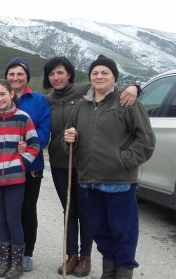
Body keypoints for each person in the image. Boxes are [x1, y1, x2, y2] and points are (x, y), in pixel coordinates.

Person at [43, 56, 139, 277]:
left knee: (88, 214)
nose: (56, 77)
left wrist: (135, 87)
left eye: (60, 72)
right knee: (70, 211)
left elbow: (111, 86)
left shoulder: (84, 91)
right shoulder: (47, 100)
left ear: (69, 74)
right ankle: (71, 256)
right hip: (61, 161)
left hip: (86, 166)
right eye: (51, 74)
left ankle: (85, 257)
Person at [64, 55, 155, 279]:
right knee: (101, 232)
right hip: (89, 181)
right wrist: (68, 140)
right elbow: (69, 149)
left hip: (120, 182)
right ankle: (109, 273)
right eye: (95, 73)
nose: (99, 76)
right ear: (90, 77)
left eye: (105, 72)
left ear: (114, 77)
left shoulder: (127, 102)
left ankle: (123, 273)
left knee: (123, 232)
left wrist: (123, 160)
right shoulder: (81, 107)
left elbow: (146, 141)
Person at [0, 57, 51, 272]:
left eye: (20, 73)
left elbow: (38, 141)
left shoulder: (30, 109)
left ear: (11, 94)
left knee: (20, 215)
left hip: (20, 173)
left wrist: (22, 159)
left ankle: (21, 258)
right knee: (2, 219)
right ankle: (5, 258)